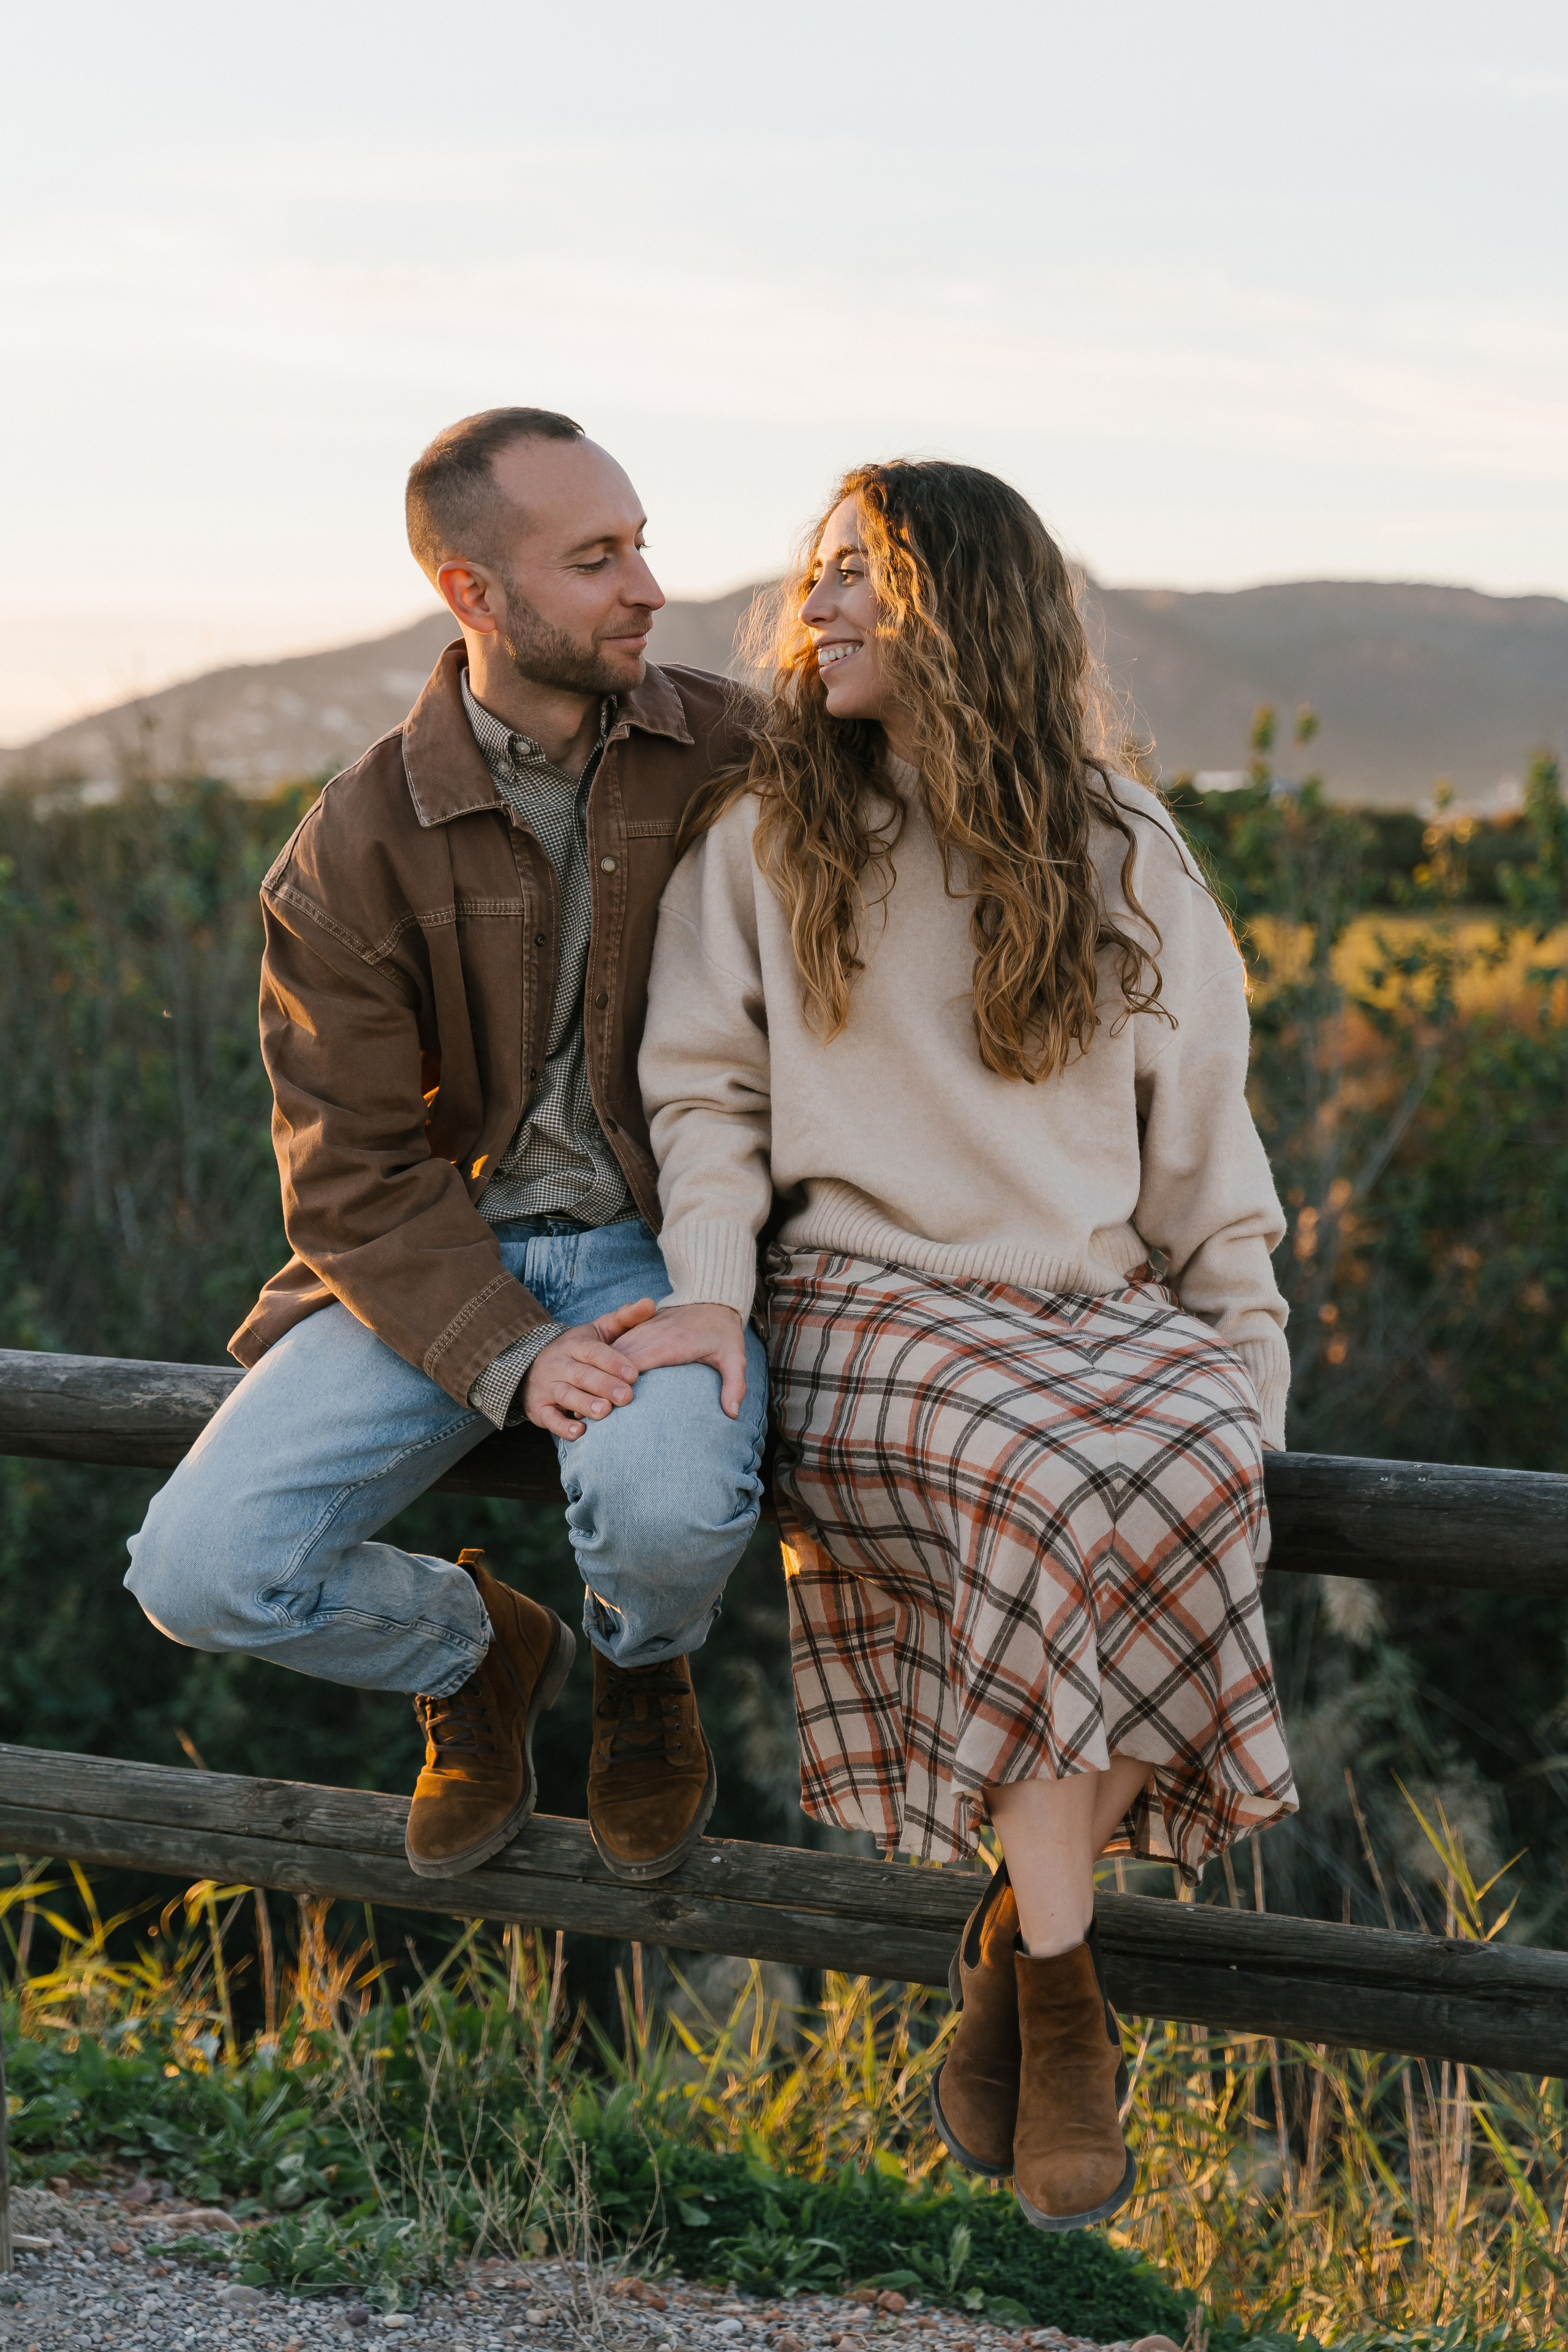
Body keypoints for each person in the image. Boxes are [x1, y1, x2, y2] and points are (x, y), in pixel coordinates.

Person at [637, 459, 1298, 2230]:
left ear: (966, 613)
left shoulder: (1122, 844)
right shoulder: (764, 837)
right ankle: (1069, 2012)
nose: (816, 607)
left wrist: (1242, 1340)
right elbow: (702, 1099)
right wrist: (708, 1289)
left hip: (1090, 1305)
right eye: (819, 574)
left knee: (1209, 1466)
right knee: (1032, 1482)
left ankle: (1015, 1933)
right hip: (860, 1298)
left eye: (862, 575)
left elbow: (1203, 1137)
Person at [126, 407, 768, 1889]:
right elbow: (348, 1173)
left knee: (665, 1510)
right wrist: (508, 1353)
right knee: (198, 1573)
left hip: (666, 1246)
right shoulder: (352, 843)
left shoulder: (736, 753)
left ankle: (640, 1664)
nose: (647, 588)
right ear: (471, 591)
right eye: (596, 559)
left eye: (641, 544)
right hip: (434, 1264)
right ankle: (476, 1649)